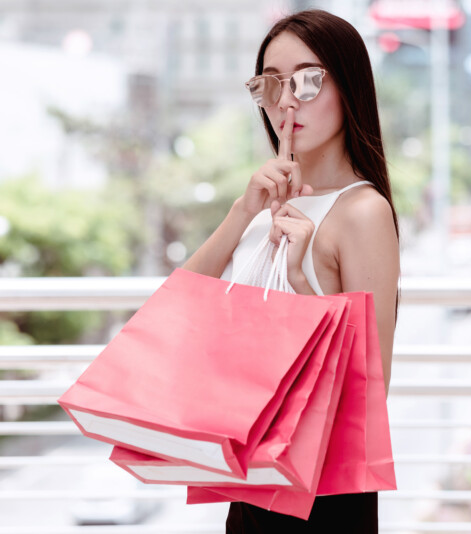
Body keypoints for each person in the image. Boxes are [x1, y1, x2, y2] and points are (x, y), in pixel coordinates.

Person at [182, 9, 400, 533]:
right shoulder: (262, 208)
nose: (285, 101)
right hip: (253, 472)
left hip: (321, 492)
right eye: (271, 83)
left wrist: (302, 279)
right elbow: (178, 309)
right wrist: (242, 211)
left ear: (349, 86)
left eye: (307, 80)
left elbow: (370, 387)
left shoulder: (362, 211)